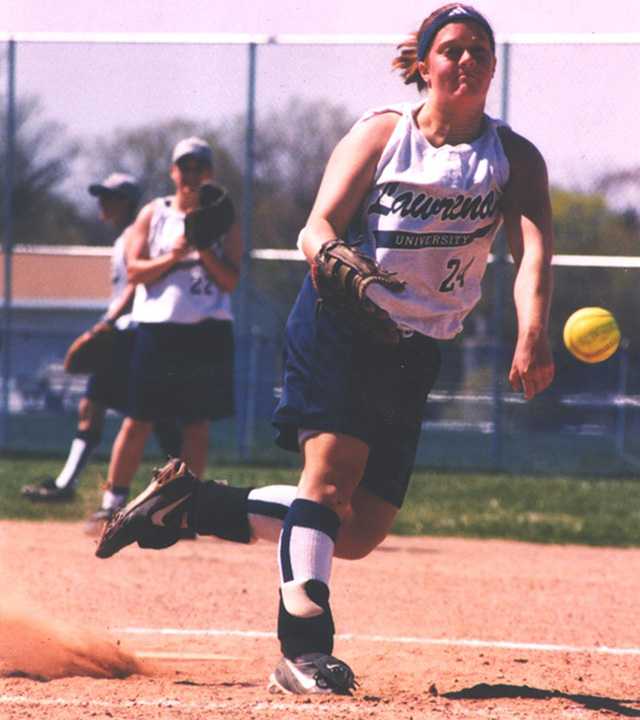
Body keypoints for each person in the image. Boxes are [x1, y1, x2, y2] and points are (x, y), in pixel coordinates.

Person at [94, 4, 554, 696]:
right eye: (452, 49)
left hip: (416, 346)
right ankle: (304, 651)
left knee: (359, 530)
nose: (467, 61)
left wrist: (532, 331)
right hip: (344, 322)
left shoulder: (512, 158)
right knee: (329, 481)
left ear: (493, 67)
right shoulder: (383, 135)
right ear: (424, 64)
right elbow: (317, 226)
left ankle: (187, 507)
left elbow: (533, 254)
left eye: (480, 51)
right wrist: (338, 259)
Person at [85, 137, 242, 528]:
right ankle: (112, 502)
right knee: (137, 419)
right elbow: (134, 271)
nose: (190, 174)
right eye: (183, 167)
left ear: (209, 173)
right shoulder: (154, 214)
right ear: (173, 172)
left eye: (198, 167)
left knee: (196, 424)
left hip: (207, 331)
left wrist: (203, 248)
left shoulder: (223, 217)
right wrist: (174, 254)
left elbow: (229, 281)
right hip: (157, 328)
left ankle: (184, 509)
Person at [21, 173, 182, 503]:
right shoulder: (125, 237)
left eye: (110, 196)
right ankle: (184, 489)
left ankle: (77, 487)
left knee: (130, 411)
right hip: (130, 332)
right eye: (102, 196)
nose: (102, 203)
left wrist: (105, 322)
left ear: (127, 201)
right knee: (143, 413)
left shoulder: (135, 237)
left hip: (132, 332)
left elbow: (137, 285)